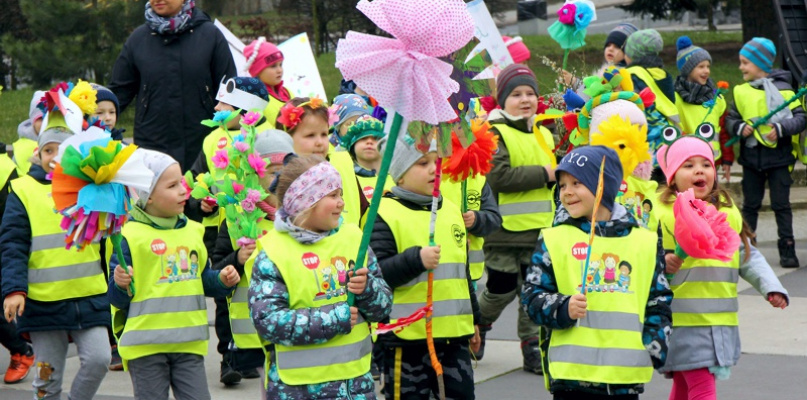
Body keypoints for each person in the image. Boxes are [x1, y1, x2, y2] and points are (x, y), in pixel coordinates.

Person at [522, 145, 673, 399]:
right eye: (562, 185)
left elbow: (659, 299)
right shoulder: (554, 238)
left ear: (603, 186)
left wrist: (654, 346)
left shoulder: (643, 241)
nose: (567, 192)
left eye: (577, 183)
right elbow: (531, 296)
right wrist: (563, 307)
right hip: (572, 378)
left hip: (624, 378)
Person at [654, 135, 789, 399]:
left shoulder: (725, 213)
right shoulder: (662, 214)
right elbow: (640, 254)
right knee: (702, 388)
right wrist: (661, 260)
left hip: (718, 321)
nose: (699, 170)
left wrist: (771, 286)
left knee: (684, 386)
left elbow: (745, 255)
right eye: (688, 165)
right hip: (682, 321)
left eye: (705, 164)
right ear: (671, 176)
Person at [248, 155, 392, 399]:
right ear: (305, 203)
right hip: (298, 388)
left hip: (355, 385)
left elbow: (383, 307)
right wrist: (336, 318)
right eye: (332, 196)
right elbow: (268, 321)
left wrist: (367, 289)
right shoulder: (274, 252)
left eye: (340, 194)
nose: (341, 203)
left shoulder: (353, 238)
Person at [107, 149, 240, 400]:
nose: (183, 190)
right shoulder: (129, 236)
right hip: (145, 348)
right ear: (148, 196)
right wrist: (120, 283)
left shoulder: (193, 231)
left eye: (181, 182)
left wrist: (221, 281)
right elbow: (116, 299)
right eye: (172, 185)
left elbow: (202, 280)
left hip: (188, 344)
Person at [1, 126, 111, 400]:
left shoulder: (91, 187)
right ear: (38, 154)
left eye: (63, 152)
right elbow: (12, 244)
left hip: (89, 297)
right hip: (43, 304)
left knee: (99, 359)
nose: (55, 157)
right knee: (48, 375)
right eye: (49, 150)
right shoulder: (23, 190)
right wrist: (14, 289)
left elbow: (109, 237)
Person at [371, 136, 480, 399]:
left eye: (437, 160)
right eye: (422, 163)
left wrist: (475, 320)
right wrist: (415, 260)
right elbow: (379, 275)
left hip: (454, 336)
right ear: (399, 175)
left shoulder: (452, 210)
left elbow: (462, 273)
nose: (434, 168)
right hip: (406, 339)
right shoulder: (384, 213)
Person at [478, 63, 555, 374]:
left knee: (532, 291)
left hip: (539, 230)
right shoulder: (495, 132)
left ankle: (532, 347)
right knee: (501, 288)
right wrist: (546, 174)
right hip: (504, 231)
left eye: (530, 94)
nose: (525, 100)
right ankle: (479, 322)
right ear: (502, 100)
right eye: (516, 94)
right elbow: (498, 176)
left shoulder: (544, 133)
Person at [209, 129, 294, 390]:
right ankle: (230, 361)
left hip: (291, 328)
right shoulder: (238, 219)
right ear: (254, 177)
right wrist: (236, 258)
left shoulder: (302, 218)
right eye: (271, 172)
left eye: (286, 171)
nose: (279, 179)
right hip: (249, 335)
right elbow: (217, 269)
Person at [108, 0, 236, 171]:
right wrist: (88, 115)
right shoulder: (138, 40)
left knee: (200, 196)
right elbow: (117, 93)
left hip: (202, 143)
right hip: (152, 147)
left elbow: (230, 91)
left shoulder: (210, 35)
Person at [724, 37, 806, 268]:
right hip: (751, 160)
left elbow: (800, 119)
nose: (740, 68)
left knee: (781, 205)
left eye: (745, 63)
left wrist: (780, 129)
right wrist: (740, 127)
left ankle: (787, 248)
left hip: (779, 159)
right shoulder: (741, 92)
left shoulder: (786, 91)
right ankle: (747, 248)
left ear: (759, 64)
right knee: (750, 205)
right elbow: (732, 118)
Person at [278, 97, 368, 227]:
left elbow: (363, 209)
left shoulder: (342, 162)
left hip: (350, 243)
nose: (320, 142)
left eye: (324, 134)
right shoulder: (283, 178)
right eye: (310, 135)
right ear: (287, 138)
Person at [674, 36, 726, 160]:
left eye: (708, 66)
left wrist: (727, 159)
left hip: (713, 159)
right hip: (687, 161)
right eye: (701, 67)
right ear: (687, 69)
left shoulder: (716, 96)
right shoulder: (676, 98)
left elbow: (723, 129)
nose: (706, 71)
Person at [625, 29, 679, 129]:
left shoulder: (632, 75)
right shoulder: (662, 73)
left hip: (647, 133)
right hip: (669, 131)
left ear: (634, 54)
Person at [562, 23, 637, 86]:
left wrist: (575, 82)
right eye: (608, 45)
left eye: (617, 47)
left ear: (629, 51)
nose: (610, 49)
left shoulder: (619, 75)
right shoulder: (607, 69)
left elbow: (594, 95)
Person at [339, 115, 390, 200]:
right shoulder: (345, 178)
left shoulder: (398, 176)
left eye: (376, 138)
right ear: (352, 145)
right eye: (363, 138)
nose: (369, 142)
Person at [244, 37, 290, 127]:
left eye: (281, 65)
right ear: (257, 71)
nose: (279, 70)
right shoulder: (256, 101)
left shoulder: (287, 92)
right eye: (273, 66)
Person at [11, 90, 45, 176]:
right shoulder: (22, 146)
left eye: (51, 118)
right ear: (33, 121)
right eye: (41, 118)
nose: (46, 122)